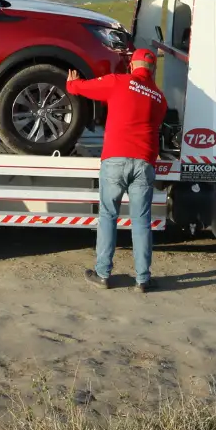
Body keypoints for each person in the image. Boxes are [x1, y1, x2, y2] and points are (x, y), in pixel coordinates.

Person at [66, 47, 167, 293]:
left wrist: (72, 84)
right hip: (144, 162)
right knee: (141, 221)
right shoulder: (159, 98)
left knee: (108, 216)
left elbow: (84, 89)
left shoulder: (119, 82)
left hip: (115, 159)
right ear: (153, 70)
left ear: (131, 66)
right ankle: (143, 280)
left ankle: (103, 274)